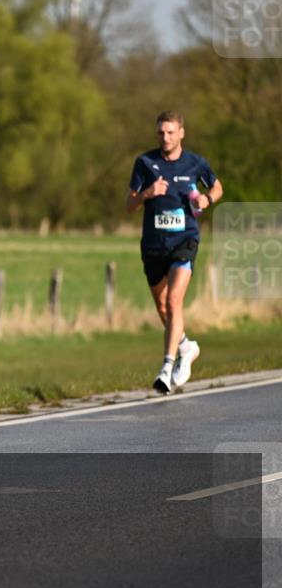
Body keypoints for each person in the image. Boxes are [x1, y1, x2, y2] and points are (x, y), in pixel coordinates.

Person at [126, 111, 222, 393]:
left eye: (170, 132)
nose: (165, 138)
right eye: (161, 133)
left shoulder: (195, 163)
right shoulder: (145, 163)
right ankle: (186, 347)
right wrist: (147, 193)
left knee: (175, 299)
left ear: (181, 132)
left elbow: (217, 187)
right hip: (154, 245)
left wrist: (207, 198)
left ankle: (167, 368)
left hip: (185, 241)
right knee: (163, 306)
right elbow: (129, 205)